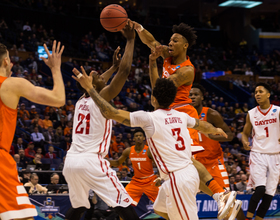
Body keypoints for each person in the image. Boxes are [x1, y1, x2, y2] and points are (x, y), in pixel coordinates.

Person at [72, 66, 231, 220]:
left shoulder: (149, 118)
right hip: (180, 174)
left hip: (178, 179)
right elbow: (202, 125)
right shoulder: (180, 116)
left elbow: (110, 112)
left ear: (153, 99)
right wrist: (215, 129)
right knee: (159, 208)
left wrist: (90, 90)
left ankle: (220, 196)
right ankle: (217, 194)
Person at [130, 19, 235, 219]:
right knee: (161, 209)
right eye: (170, 39)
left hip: (182, 112)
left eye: (175, 40)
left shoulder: (187, 70)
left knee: (187, 160)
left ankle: (220, 194)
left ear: (185, 45)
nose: (170, 43)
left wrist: (153, 63)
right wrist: (139, 28)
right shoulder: (167, 57)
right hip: (166, 112)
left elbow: (160, 87)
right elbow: (151, 42)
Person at [63, 22, 140, 220]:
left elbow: (98, 84)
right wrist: (131, 40)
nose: (96, 74)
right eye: (92, 75)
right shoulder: (101, 97)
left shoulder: (82, 100)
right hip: (91, 160)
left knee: (79, 206)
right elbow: (123, 73)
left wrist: (112, 66)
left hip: (71, 161)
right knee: (124, 203)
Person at [0, 40, 65, 220]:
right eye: (10, 60)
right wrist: (55, 68)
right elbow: (59, 99)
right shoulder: (10, 84)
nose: (12, 64)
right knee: (24, 217)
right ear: (5, 61)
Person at [189, 84, 244, 220]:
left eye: (196, 94)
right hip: (194, 163)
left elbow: (229, 135)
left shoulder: (211, 113)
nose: (192, 97)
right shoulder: (185, 115)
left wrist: (212, 135)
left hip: (213, 162)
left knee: (227, 198)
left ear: (202, 97)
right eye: (190, 95)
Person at [242, 82, 280, 220]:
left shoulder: (278, 111)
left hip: (276, 155)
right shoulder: (251, 114)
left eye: (261, 92)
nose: (257, 94)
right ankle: (248, 218)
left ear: (268, 94)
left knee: (269, 194)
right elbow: (245, 133)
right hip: (258, 154)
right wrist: (245, 141)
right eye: (256, 92)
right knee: (260, 189)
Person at [108, 128, 160, 206]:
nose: (138, 137)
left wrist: (159, 177)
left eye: (140, 136)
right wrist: (105, 160)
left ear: (143, 138)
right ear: (134, 138)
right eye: (136, 136)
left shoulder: (149, 150)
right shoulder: (128, 150)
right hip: (136, 181)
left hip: (150, 180)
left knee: (163, 204)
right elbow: (117, 162)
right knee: (123, 203)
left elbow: (160, 165)